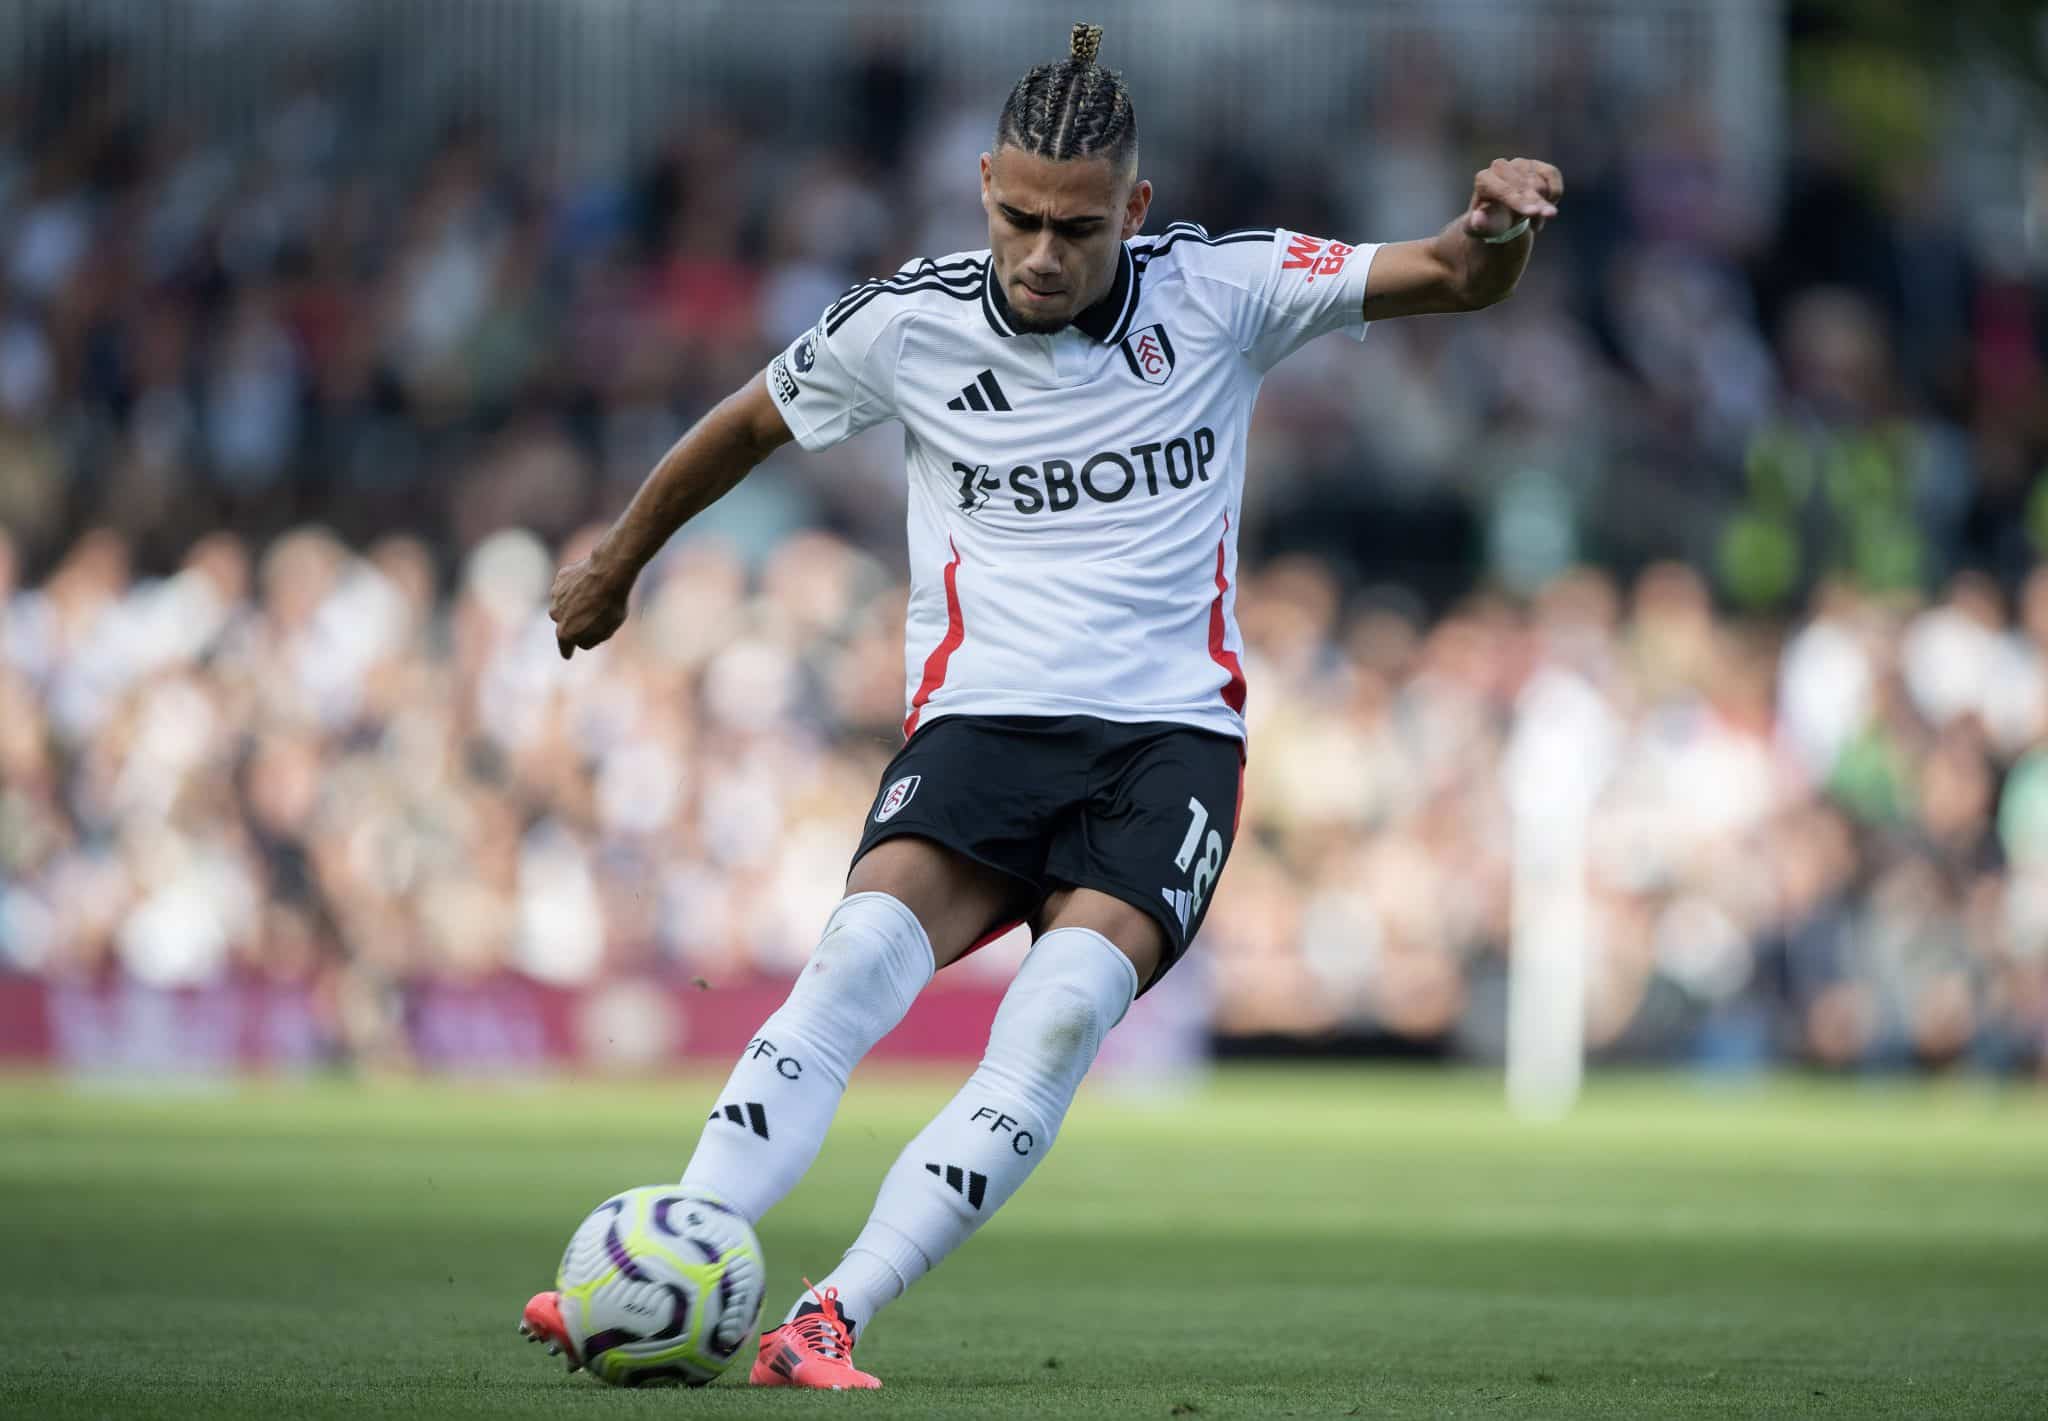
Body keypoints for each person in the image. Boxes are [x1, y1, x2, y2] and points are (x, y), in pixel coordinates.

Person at [523, 21, 1563, 1390]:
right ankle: (675, 1244)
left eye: (1077, 226)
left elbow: (1449, 276)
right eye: (1017, 217)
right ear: (982, 189)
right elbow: (745, 421)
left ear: (1133, 209)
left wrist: (1498, 231)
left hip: (1169, 745)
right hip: (981, 729)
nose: (1041, 252)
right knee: (849, 967)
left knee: (1061, 1011)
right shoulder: (910, 323)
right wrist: (618, 559)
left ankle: (834, 1312)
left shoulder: (1228, 289)